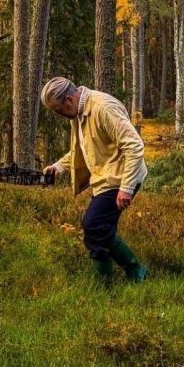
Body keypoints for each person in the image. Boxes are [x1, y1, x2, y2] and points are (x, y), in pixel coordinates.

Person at [41, 77, 149, 286]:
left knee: (94, 224)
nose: (59, 115)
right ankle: (105, 283)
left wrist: (126, 188)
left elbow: (134, 145)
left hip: (121, 177)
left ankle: (136, 270)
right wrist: (59, 167)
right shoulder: (79, 113)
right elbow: (83, 147)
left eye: (58, 110)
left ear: (70, 100)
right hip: (104, 178)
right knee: (98, 229)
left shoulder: (102, 107)